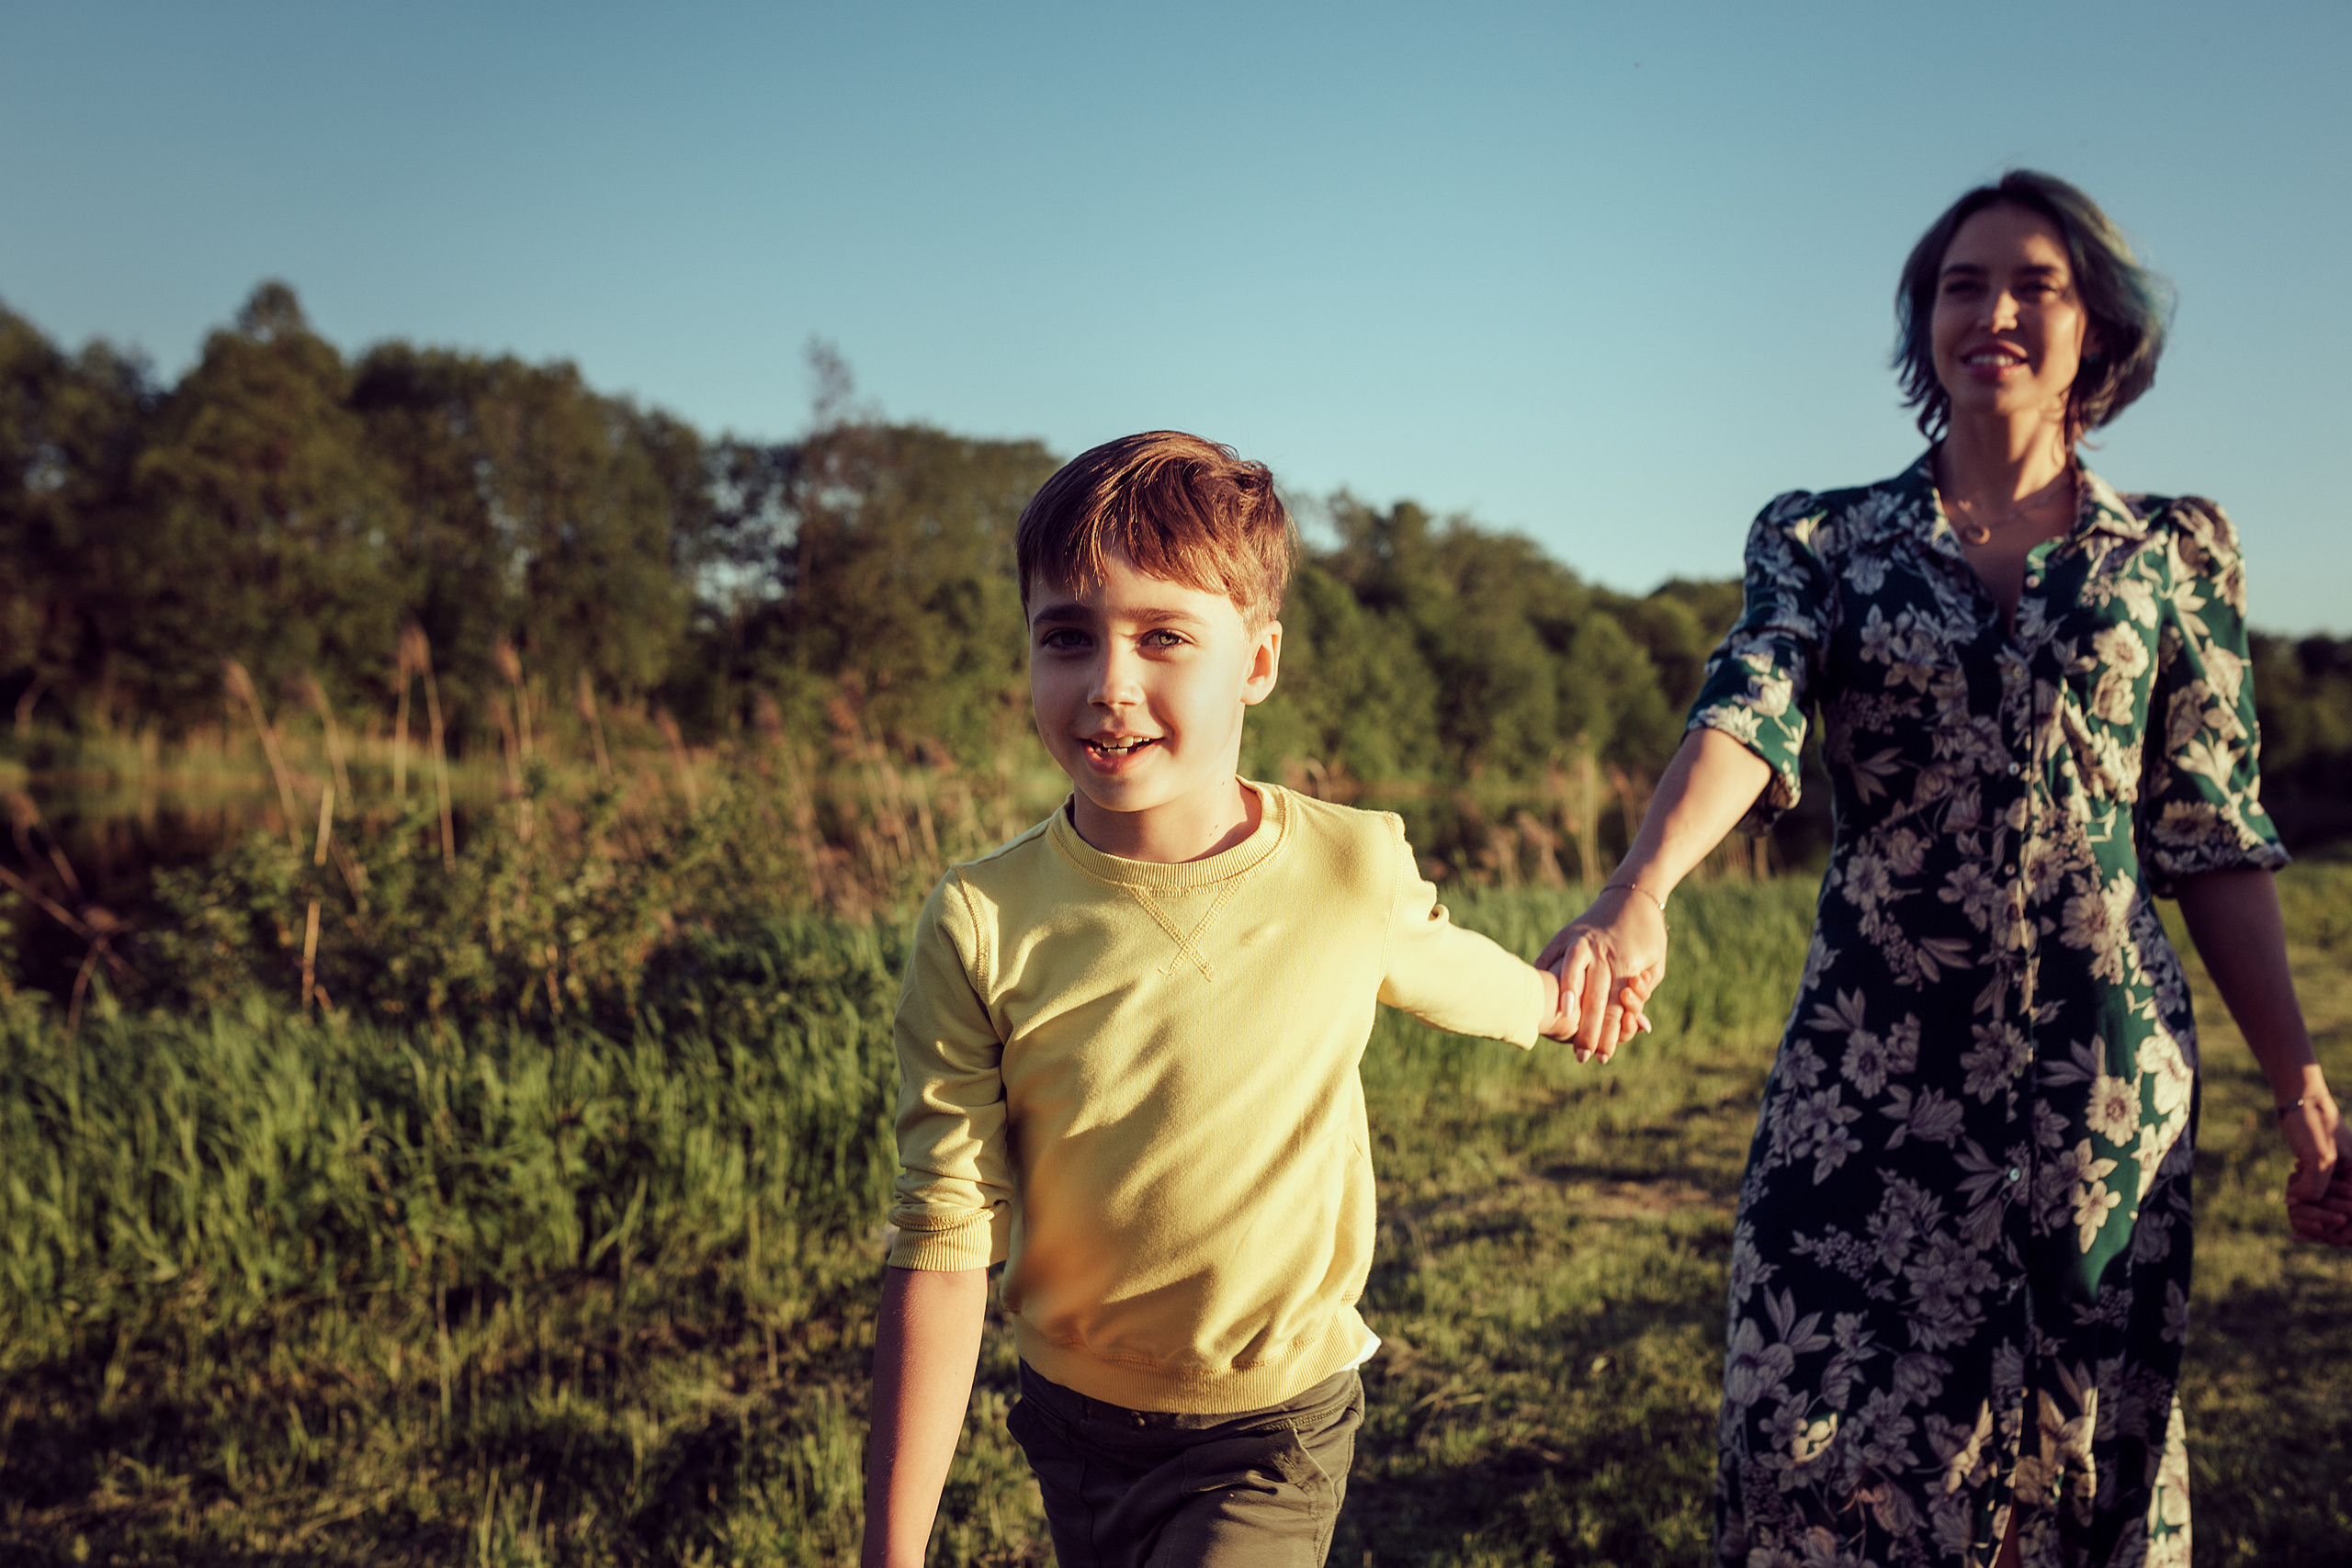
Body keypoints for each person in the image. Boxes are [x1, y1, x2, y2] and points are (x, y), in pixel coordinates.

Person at [1540, 171, 2352, 1567]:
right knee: (1811, 1433)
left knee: (2082, 1444)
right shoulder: (1824, 537)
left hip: (2103, 1079)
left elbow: (2213, 829)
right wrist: (1641, 887)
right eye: (1960, 285)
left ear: (2094, 323)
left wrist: (2303, 1087)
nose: (1994, 309)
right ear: (1925, 324)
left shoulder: (2174, 551)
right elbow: (1752, 703)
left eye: (2034, 281)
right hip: (1870, 1068)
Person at [862, 431, 1595, 1568]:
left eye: (1163, 637)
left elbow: (1456, 969)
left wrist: (1556, 1002)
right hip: (1071, 1421)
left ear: (1256, 660)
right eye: (1067, 637)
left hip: (1273, 1422)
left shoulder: (1347, 868)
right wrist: (892, 1550)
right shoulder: (982, 920)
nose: (1110, 685)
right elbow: (946, 1233)